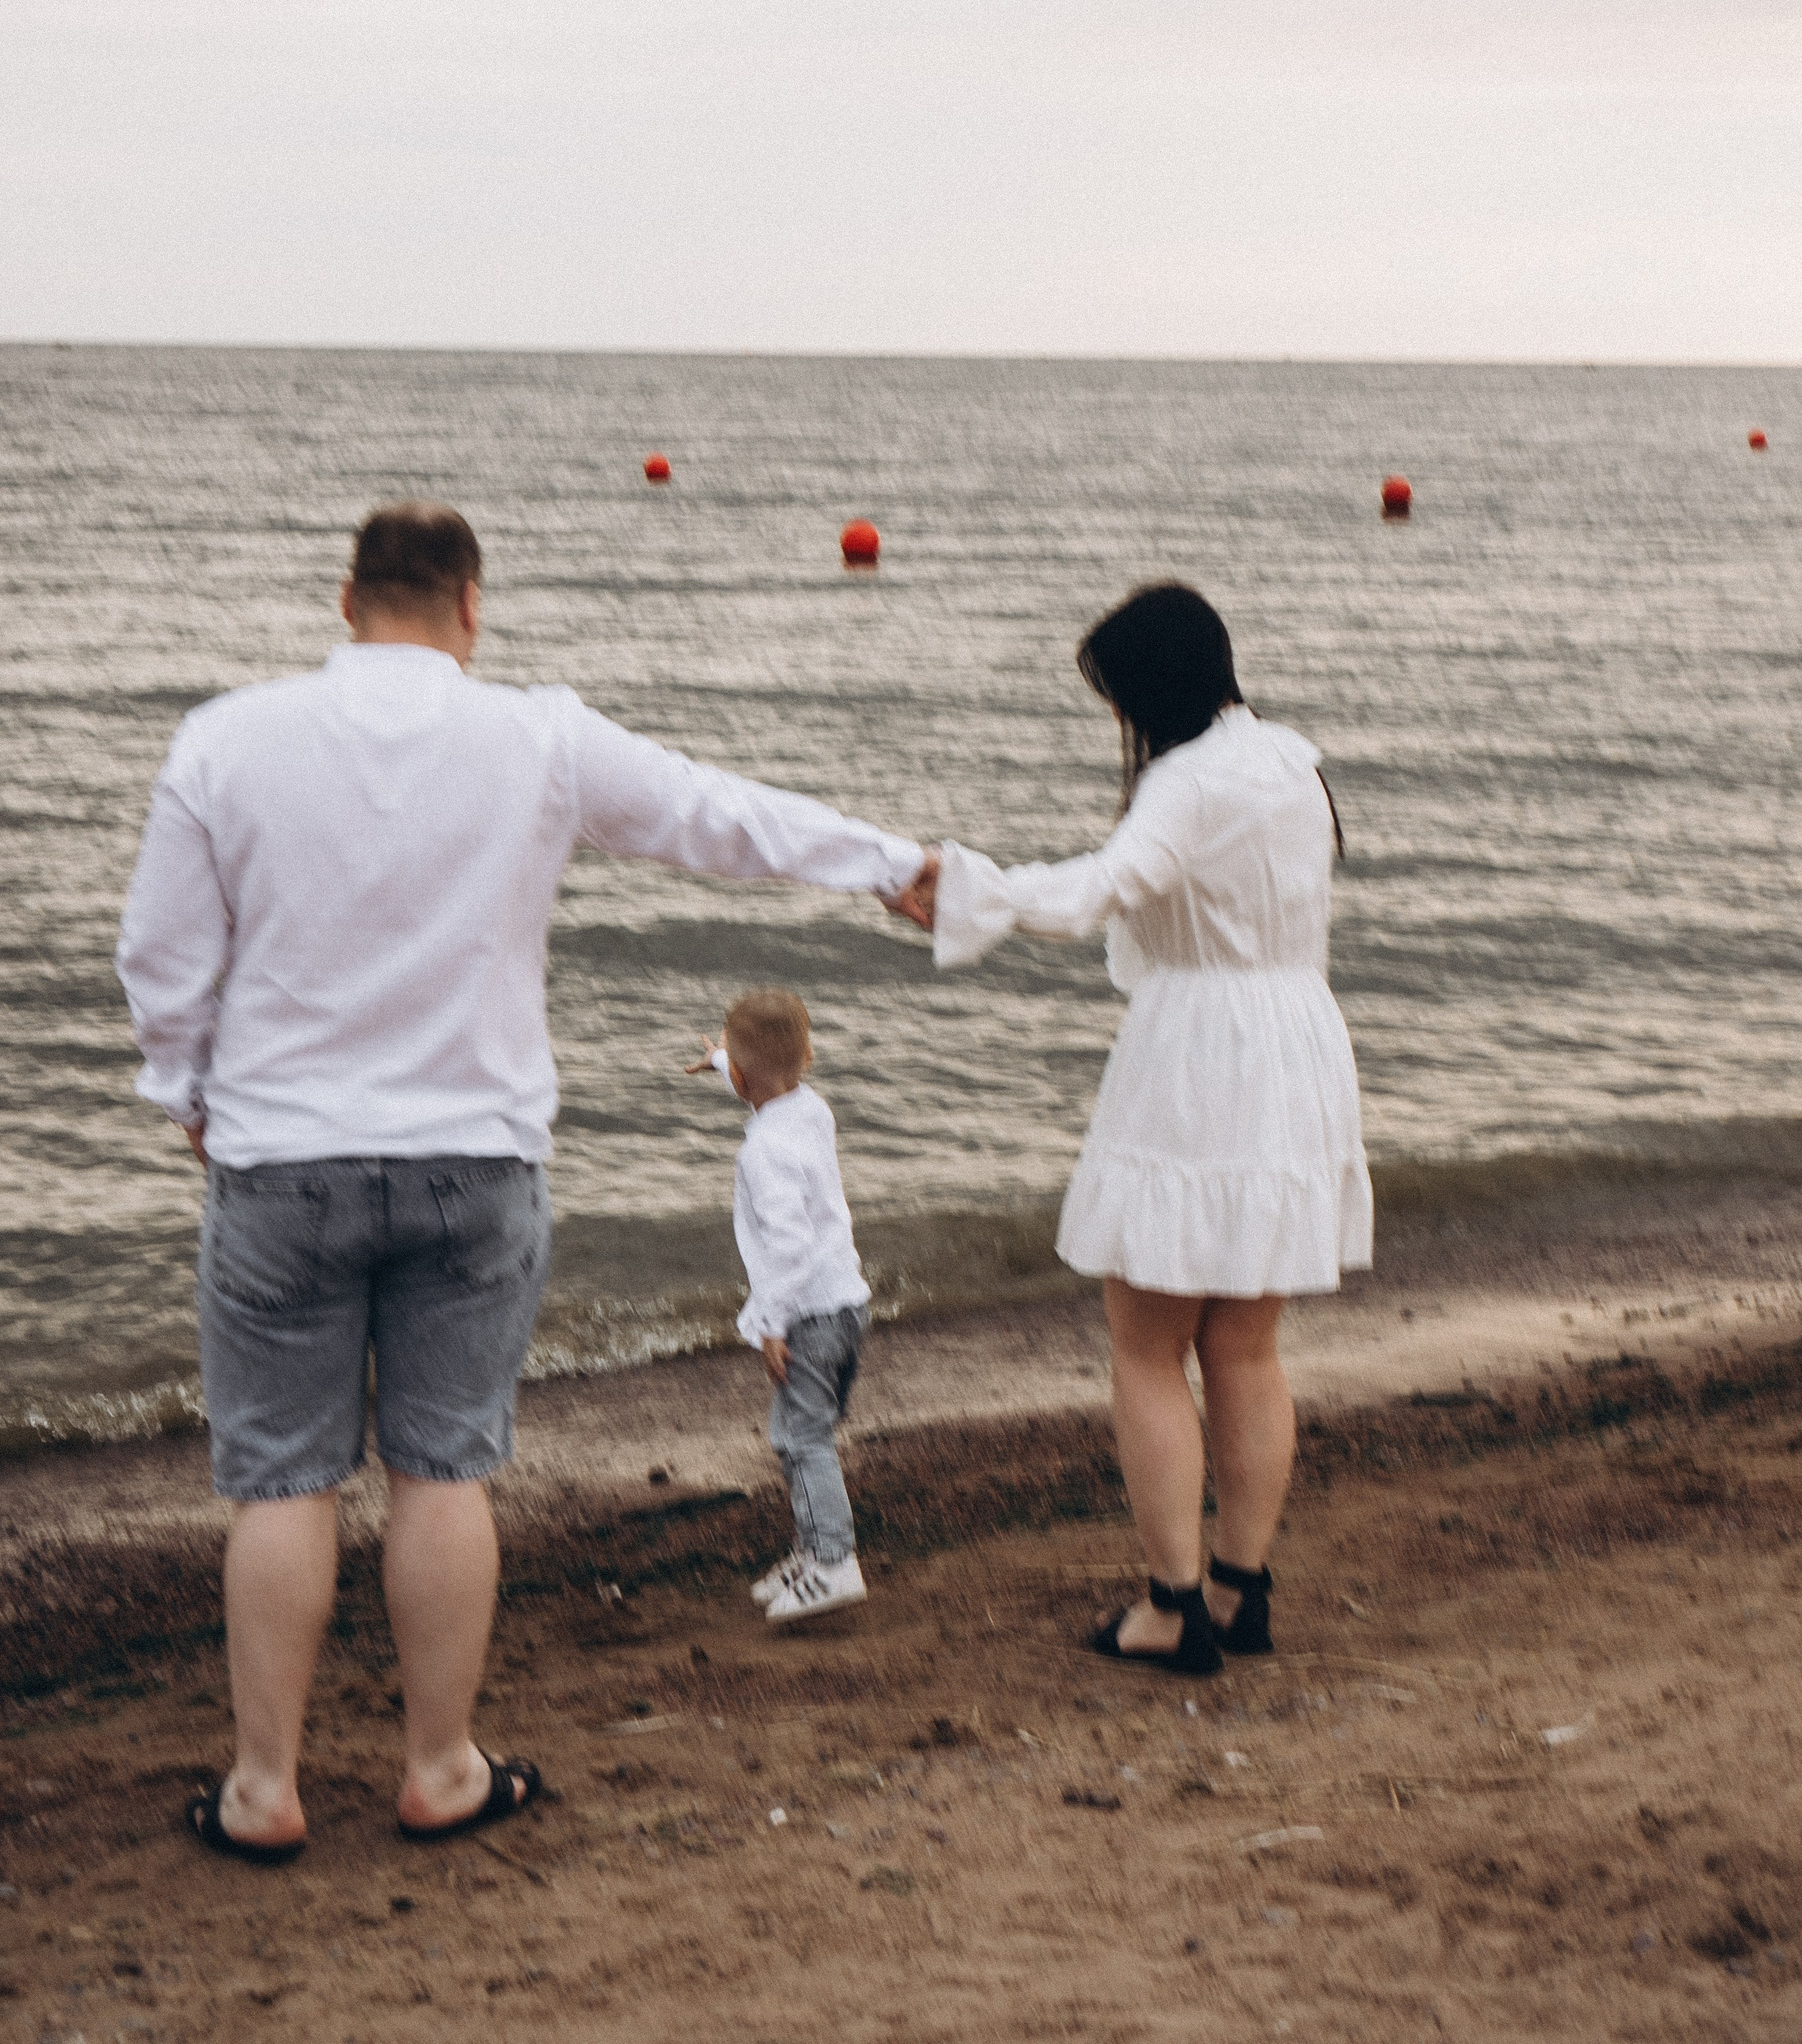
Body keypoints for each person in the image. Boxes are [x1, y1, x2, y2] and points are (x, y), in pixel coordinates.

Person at [114, 501, 935, 1862]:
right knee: (444, 1471)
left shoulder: (226, 738)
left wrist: (187, 1096)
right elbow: (716, 816)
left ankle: (265, 1790)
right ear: (470, 607)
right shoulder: (537, 738)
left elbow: (161, 958)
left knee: (281, 1484)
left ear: (346, 601)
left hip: (282, 1166)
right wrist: (894, 865)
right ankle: (439, 1768)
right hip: (475, 1166)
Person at [930, 582, 1368, 1676]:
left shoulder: (1185, 780)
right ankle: (1240, 1589)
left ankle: (1174, 1609)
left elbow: (1097, 891)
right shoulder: (1289, 762)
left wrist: (961, 892)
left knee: (1145, 1345)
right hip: (1295, 1041)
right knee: (1247, 1347)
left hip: (1201, 1055)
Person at [686, 988, 872, 1625]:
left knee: (801, 1437)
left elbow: (789, 1250)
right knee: (803, 1435)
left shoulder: (762, 1151)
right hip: (848, 1305)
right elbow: (767, 1076)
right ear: (810, 1056)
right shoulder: (811, 1110)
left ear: (742, 1077)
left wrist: (769, 1324)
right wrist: (721, 1061)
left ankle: (833, 1562)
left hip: (810, 1315)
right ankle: (813, 1552)